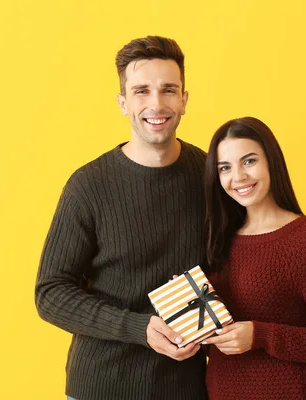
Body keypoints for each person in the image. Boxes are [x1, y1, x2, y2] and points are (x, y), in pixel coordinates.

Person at [35, 36, 209, 400]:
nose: (156, 104)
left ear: (185, 100)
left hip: (187, 388)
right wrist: (138, 327)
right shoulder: (88, 185)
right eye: (141, 91)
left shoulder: (212, 176)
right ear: (123, 103)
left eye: (169, 90)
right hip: (102, 386)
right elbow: (50, 292)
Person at [201, 117, 306, 400]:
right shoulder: (220, 239)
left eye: (249, 161)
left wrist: (260, 336)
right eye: (225, 168)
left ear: (271, 162)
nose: (237, 177)